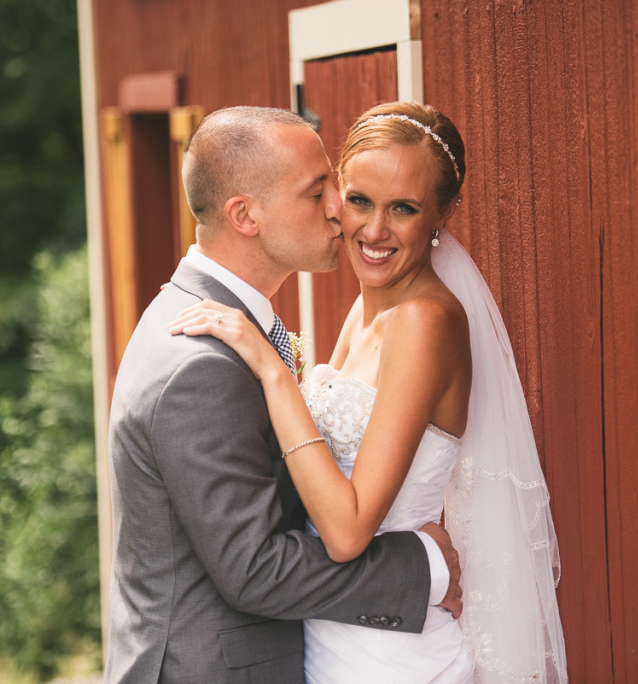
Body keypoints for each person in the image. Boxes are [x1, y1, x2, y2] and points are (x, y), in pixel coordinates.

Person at [171, 102, 567, 683]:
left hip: (389, 656)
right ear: (335, 195)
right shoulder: (366, 310)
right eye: (359, 201)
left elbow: (348, 529)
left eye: (402, 209)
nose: (373, 231)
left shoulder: (425, 321)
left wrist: (271, 369)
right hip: (334, 632)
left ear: (442, 213)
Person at [104, 105, 462, 684]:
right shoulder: (201, 363)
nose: (337, 212)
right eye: (319, 190)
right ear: (245, 215)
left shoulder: (215, 323)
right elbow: (254, 570)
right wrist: (423, 569)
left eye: (334, 187)